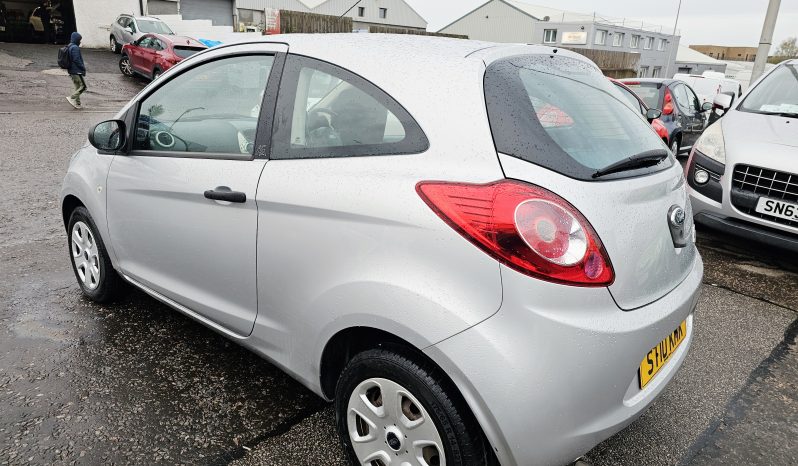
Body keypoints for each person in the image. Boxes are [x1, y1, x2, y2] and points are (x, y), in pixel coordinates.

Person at [66, 32, 86, 109]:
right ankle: (72, 98)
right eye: (79, 40)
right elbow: (76, 59)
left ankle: (77, 103)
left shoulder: (70, 46)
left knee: (77, 87)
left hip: (72, 70)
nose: (80, 41)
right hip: (76, 70)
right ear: (76, 39)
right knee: (83, 86)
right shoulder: (75, 47)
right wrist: (82, 67)